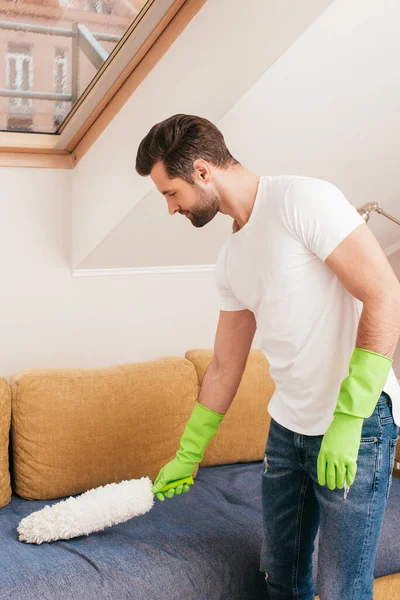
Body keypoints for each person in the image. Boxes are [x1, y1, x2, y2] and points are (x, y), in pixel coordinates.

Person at [135, 114, 400, 599]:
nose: (170, 209)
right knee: (281, 579)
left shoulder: (303, 200)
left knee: (341, 588)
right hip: (288, 432)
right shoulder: (231, 259)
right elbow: (224, 365)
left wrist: (349, 415)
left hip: (356, 426)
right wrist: (188, 453)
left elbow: (385, 294)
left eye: (170, 193)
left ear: (201, 171)